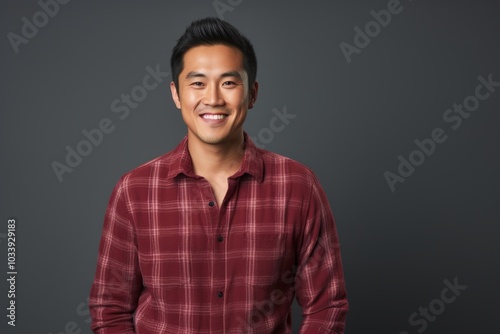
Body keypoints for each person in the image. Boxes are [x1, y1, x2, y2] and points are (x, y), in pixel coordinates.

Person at [89, 17, 348, 333]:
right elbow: (110, 310)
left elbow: (326, 307)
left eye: (229, 82)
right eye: (197, 83)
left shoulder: (298, 186)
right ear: (176, 94)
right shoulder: (134, 191)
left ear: (252, 94)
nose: (213, 98)